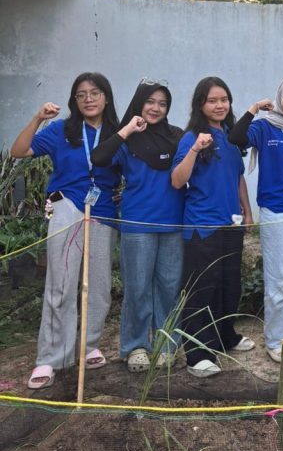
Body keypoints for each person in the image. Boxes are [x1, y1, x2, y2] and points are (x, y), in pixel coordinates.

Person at [10, 72, 121, 389]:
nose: (88, 99)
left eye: (95, 93)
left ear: (106, 97)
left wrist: (125, 194)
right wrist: (38, 118)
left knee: (99, 285)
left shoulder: (118, 133)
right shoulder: (62, 130)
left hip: (103, 211)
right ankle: (50, 357)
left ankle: (88, 344)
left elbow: (137, 168)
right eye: (81, 94)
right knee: (61, 284)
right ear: (74, 101)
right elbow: (19, 151)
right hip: (67, 206)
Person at [91, 80, 184, 372]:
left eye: (162, 104)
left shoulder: (178, 136)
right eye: (150, 102)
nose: (156, 108)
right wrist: (128, 129)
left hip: (173, 223)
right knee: (137, 288)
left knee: (169, 288)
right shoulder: (126, 139)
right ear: (139, 103)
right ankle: (136, 346)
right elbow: (98, 158)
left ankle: (167, 344)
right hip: (137, 224)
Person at [228, 77, 283, 363]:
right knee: (281, 276)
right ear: (280, 97)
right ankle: (276, 340)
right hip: (276, 210)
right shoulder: (264, 127)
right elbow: (235, 138)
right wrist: (254, 108)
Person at [171, 77, 254, 378]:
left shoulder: (231, 136)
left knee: (229, 285)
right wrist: (195, 149)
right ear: (200, 105)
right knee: (201, 290)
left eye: (224, 100)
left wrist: (247, 210)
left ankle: (225, 336)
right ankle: (197, 354)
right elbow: (177, 180)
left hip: (231, 224)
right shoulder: (192, 137)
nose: (220, 105)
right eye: (212, 101)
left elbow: (238, 176)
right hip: (202, 226)